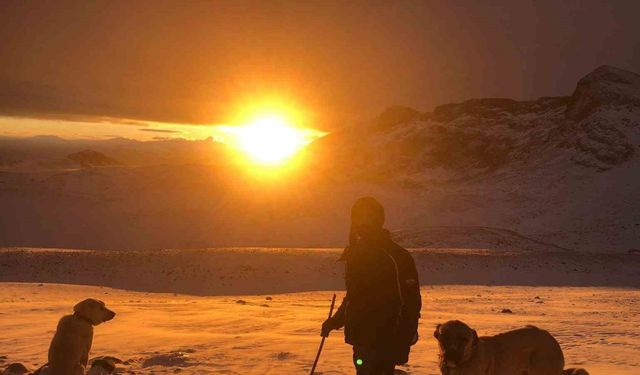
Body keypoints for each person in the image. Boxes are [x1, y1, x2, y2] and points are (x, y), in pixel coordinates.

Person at [321, 197, 421, 375]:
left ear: (378, 220)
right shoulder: (356, 254)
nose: (363, 223)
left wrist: (403, 340)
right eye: (358, 218)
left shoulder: (397, 256)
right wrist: (335, 321)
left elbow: (411, 303)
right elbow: (354, 296)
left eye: (369, 218)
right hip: (360, 339)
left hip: (386, 340)